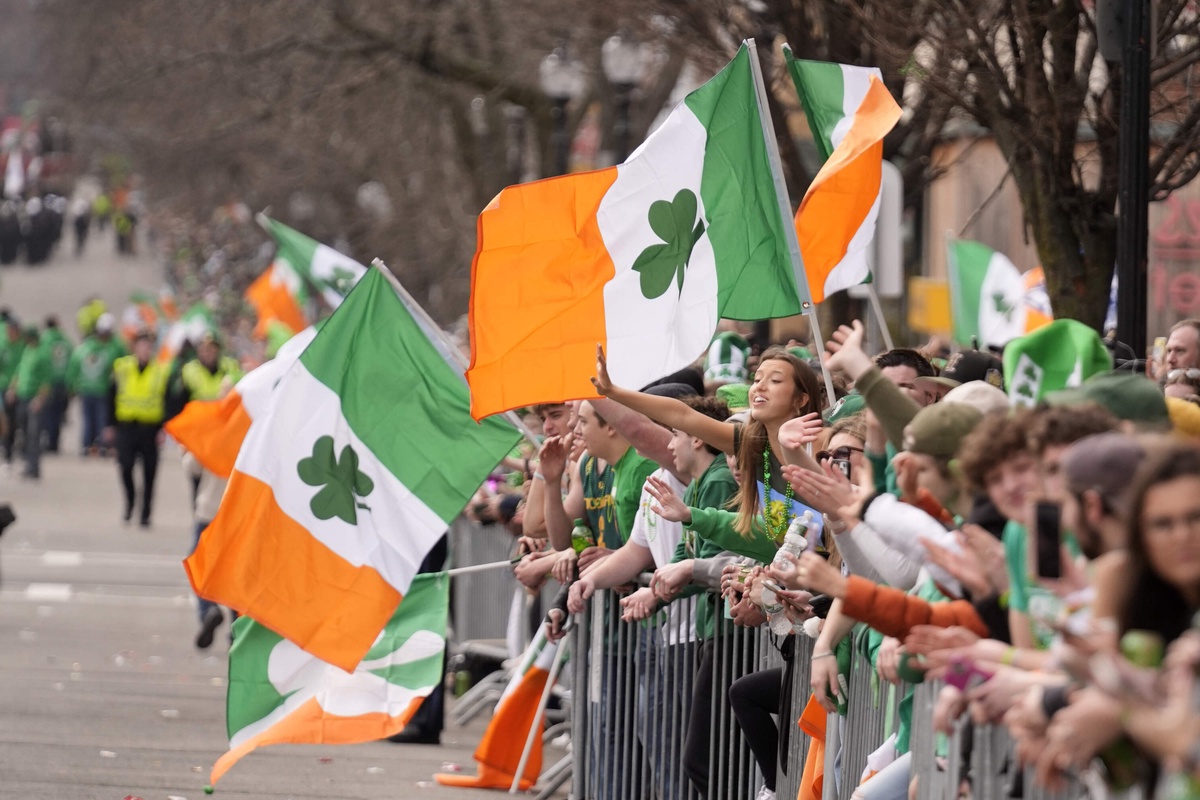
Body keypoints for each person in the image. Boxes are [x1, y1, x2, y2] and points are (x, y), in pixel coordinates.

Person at [109, 330, 172, 527]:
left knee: (150, 473)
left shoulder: (160, 371)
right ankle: (130, 501)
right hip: (127, 426)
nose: (145, 349)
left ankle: (145, 513)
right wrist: (110, 425)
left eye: (148, 345)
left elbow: (167, 401)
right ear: (135, 347)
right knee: (125, 466)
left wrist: (164, 429)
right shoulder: (122, 367)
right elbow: (111, 396)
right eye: (141, 345)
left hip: (150, 428)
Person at [68, 312, 125, 456]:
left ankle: (87, 446)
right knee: (101, 419)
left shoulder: (84, 349)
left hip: (86, 388)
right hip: (101, 389)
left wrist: (73, 385)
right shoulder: (108, 349)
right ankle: (101, 445)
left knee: (88, 419)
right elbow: (115, 366)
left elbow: (74, 366)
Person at [8, 326, 51, 479]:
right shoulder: (27, 350)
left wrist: (40, 399)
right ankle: (27, 463)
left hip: (34, 398)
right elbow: (20, 370)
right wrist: (12, 388)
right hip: (22, 396)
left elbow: (46, 381)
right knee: (24, 432)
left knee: (34, 434)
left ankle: (34, 466)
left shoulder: (42, 355)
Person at [38, 316, 73, 454]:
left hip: (48, 382)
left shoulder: (44, 340)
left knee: (47, 414)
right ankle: (55, 442)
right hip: (63, 382)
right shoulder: (65, 340)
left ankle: (47, 441)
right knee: (58, 415)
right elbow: (72, 361)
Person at [0, 316, 24, 467]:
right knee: (5, 422)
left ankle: (14, 449)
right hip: (3, 388)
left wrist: (14, 387)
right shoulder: (3, 345)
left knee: (16, 422)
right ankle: (6, 452)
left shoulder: (22, 346)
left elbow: (23, 368)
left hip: (19, 389)